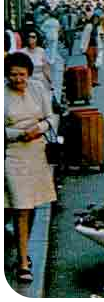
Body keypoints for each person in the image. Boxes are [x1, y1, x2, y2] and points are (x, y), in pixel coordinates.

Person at [3, 52, 57, 283]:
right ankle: (23, 262)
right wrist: (18, 134)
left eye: (22, 75)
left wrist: (39, 129)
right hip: (13, 154)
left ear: (28, 74)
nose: (18, 79)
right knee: (21, 207)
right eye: (13, 75)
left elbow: (52, 118)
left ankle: (22, 247)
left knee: (32, 204)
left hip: (37, 152)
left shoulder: (38, 88)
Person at [81, 15, 102, 87]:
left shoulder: (98, 27)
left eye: (97, 19)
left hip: (96, 47)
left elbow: (99, 37)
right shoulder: (89, 26)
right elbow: (84, 36)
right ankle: (90, 80)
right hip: (89, 47)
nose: (96, 20)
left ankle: (95, 80)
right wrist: (82, 48)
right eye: (95, 19)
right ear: (92, 19)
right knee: (91, 64)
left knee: (96, 65)